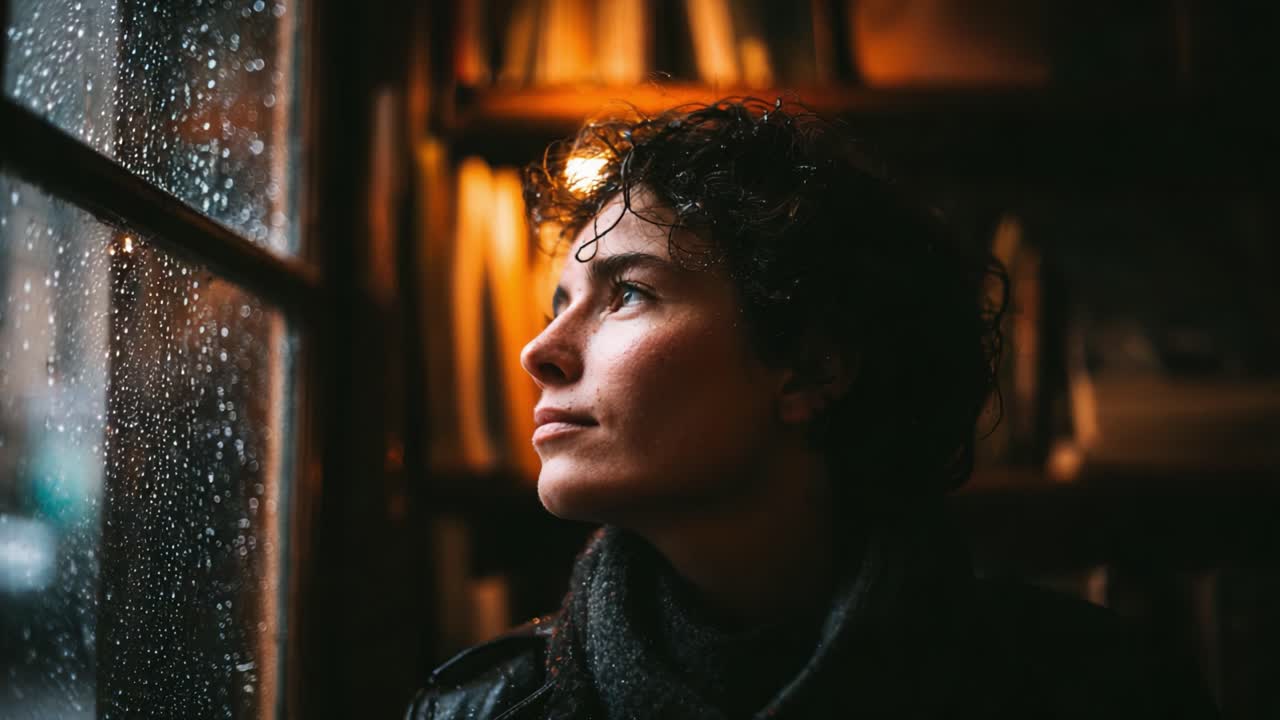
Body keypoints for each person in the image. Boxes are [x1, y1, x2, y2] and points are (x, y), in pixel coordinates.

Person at [406, 98, 1217, 719]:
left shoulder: (1099, 690)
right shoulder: (478, 709)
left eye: (628, 293)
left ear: (812, 368)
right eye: (558, 301)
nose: (539, 350)